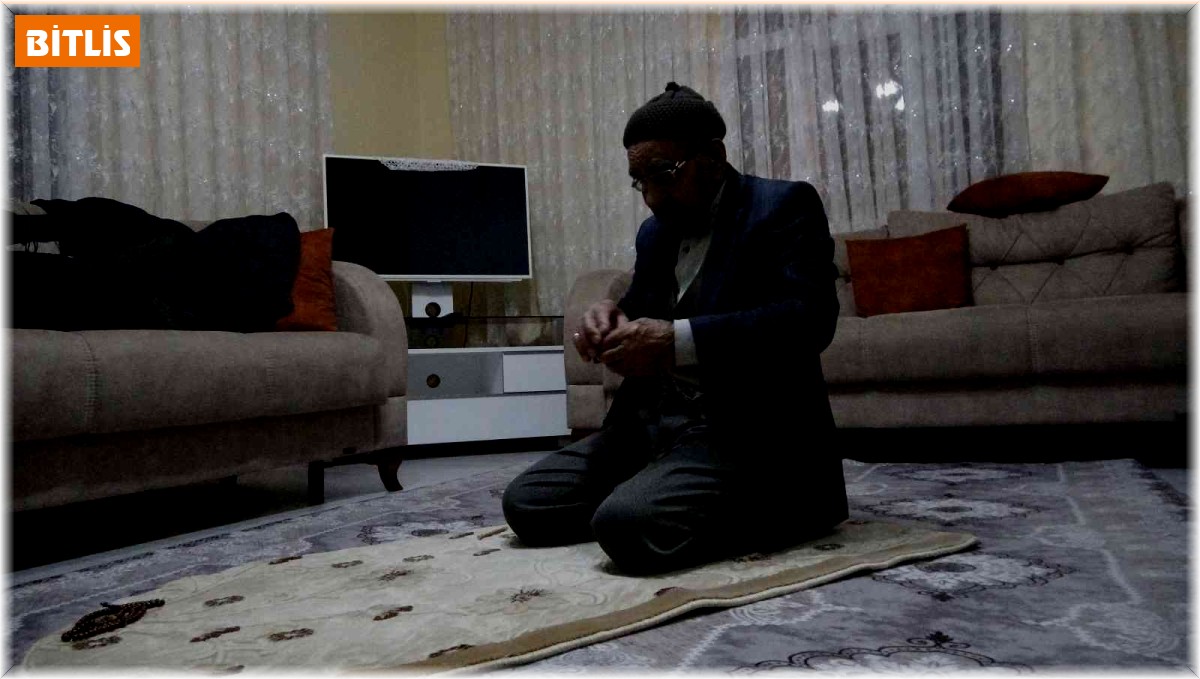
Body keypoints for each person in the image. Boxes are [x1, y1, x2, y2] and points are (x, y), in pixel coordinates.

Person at [502, 82, 847, 575]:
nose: (650, 197)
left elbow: (810, 320)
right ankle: (665, 487)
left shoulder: (783, 205)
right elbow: (644, 307)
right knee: (527, 503)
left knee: (625, 526)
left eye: (663, 174)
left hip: (746, 431)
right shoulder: (655, 232)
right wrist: (610, 316)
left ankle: (789, 503)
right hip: (655, 426)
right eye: (639, 181)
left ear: (713, 157)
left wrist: (678, 342)